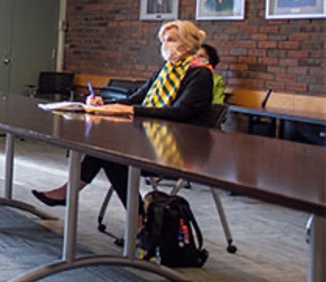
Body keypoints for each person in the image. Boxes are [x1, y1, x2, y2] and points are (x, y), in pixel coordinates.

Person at [31, 20, 213, 210]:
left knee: (111, 155)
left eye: (170, 40)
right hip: (152, 139)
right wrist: (104, 105)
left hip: (180, 148)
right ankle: (134, 217)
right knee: (106, 150)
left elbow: (180, 112)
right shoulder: (165, 71)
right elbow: (136, 99)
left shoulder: (200, 74)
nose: (165, 46)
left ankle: (129, 214)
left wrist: (131, 110)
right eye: (163, 41)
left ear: (187, 43)